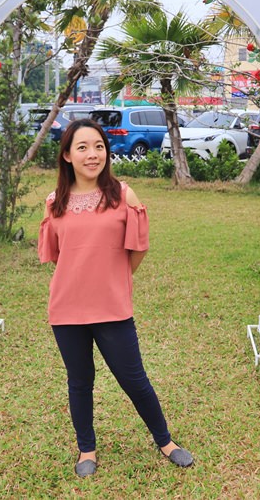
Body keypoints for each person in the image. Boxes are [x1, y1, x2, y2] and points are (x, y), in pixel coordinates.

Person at [38, 119, 193, 478]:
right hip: (66, 309)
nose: (92, 154)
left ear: (107, 153)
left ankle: (165, 441)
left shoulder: (123, 195)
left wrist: (112, 280)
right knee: (80, 381)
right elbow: (60, 256)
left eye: (98, 147)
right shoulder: (54, 203)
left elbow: (137, 249)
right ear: (66, 155)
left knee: (134, 379)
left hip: (112, 307)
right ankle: (86, 448)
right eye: (82, 147)